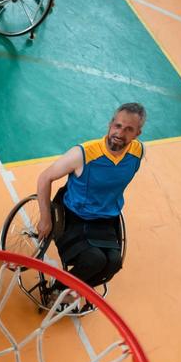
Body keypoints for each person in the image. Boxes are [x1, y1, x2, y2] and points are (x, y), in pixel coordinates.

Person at [34, 102, 145, 295]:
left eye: (129, 129)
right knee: (94, 260)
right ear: (110, 125)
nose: (120, 132)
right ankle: (56, 292)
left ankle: (70, 290)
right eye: (118, 126)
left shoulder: (138, 152)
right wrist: (45, 218)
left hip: (106, 219)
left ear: (137, 134)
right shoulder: (83, 154)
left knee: (113, 264)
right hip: (73, 215)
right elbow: (45, 178)